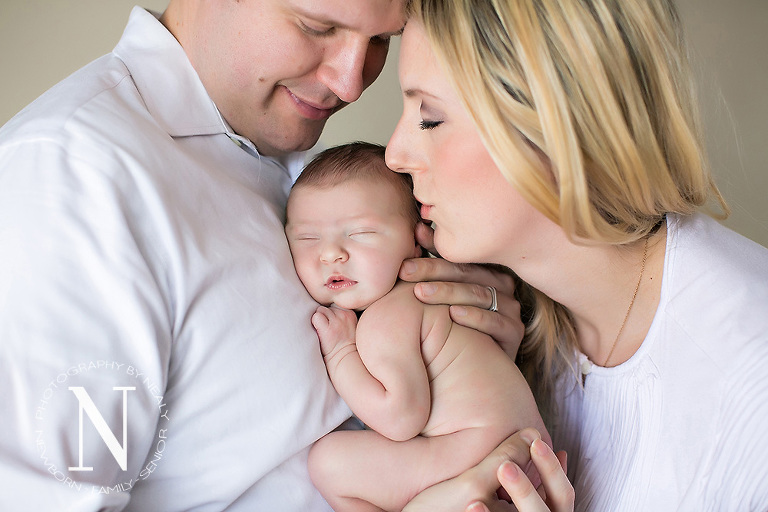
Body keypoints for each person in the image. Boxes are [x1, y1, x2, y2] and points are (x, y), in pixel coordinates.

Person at [0, 1, 529, 510]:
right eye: (318, 27)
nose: (351, 83)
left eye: (381, 41)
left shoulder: (309, 163)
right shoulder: (75, 182)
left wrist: (468, 340)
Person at [384, 0, 768, 510]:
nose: (395, 154)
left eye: (430, 118)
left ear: (556, 124)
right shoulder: (497, 318)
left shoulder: (749, 389)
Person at [284, 142, 550, 511]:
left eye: (360, 233)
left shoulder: (387, 318)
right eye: (307, 238)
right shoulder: (432, 298)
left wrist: (341, 351)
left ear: (417, 240)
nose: (330, 254)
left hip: (480, 453)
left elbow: (399, 418)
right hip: (520, 449)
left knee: (328, 463)